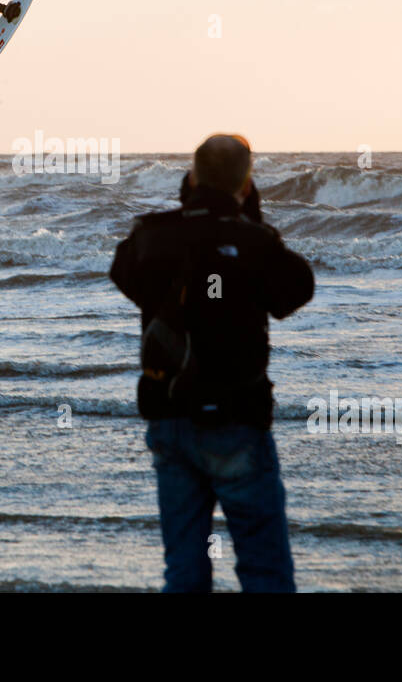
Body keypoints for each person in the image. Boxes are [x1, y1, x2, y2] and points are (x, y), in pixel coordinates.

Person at [109, 134, 314, 592]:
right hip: (237, 417)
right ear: (245, 184)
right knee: (265, 570)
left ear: (193, 177)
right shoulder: (254, 241)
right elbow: (295, 290)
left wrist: (194, 210)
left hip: (171, 418)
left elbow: (124, 272)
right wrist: (248, 220)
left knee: (184, 570)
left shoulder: (152, 236)